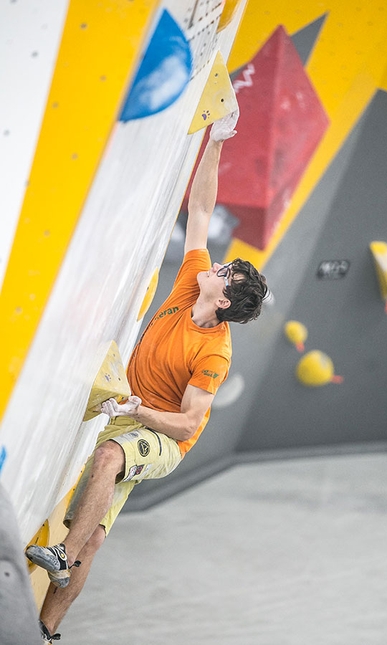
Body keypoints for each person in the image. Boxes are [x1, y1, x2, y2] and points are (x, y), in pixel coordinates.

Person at [26, 109, 268, 644]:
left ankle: (59, 557)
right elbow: (202, 206)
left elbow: (185, 426)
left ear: (222, 297)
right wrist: (216, 141)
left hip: (160, 438)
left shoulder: (214, 354)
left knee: (111, 457)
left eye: (224, 273)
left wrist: (133, 409)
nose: (217, 265)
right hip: (131, 416)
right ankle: (46, 631)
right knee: (94, 542)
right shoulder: (190, 284)